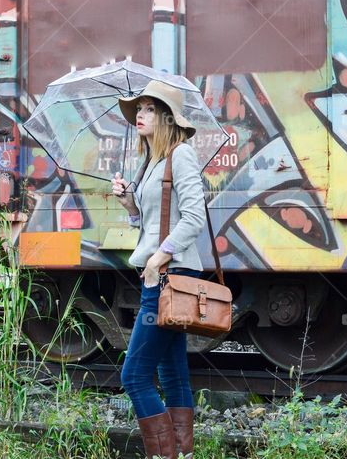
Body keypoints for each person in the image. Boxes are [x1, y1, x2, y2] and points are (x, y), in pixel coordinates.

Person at [112, 80, 206, 459]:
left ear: (168, 118)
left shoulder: (180, 155)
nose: (140, 114)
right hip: (164, 273)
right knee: (171, 372)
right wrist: (129, 204)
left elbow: (194, 218)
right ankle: (181, 453)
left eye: (149, 108)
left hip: (171, 275)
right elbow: (150, 223)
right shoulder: (151, 161)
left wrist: (157, 257)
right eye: (139, 108)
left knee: (133, 376)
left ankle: (162, 456)